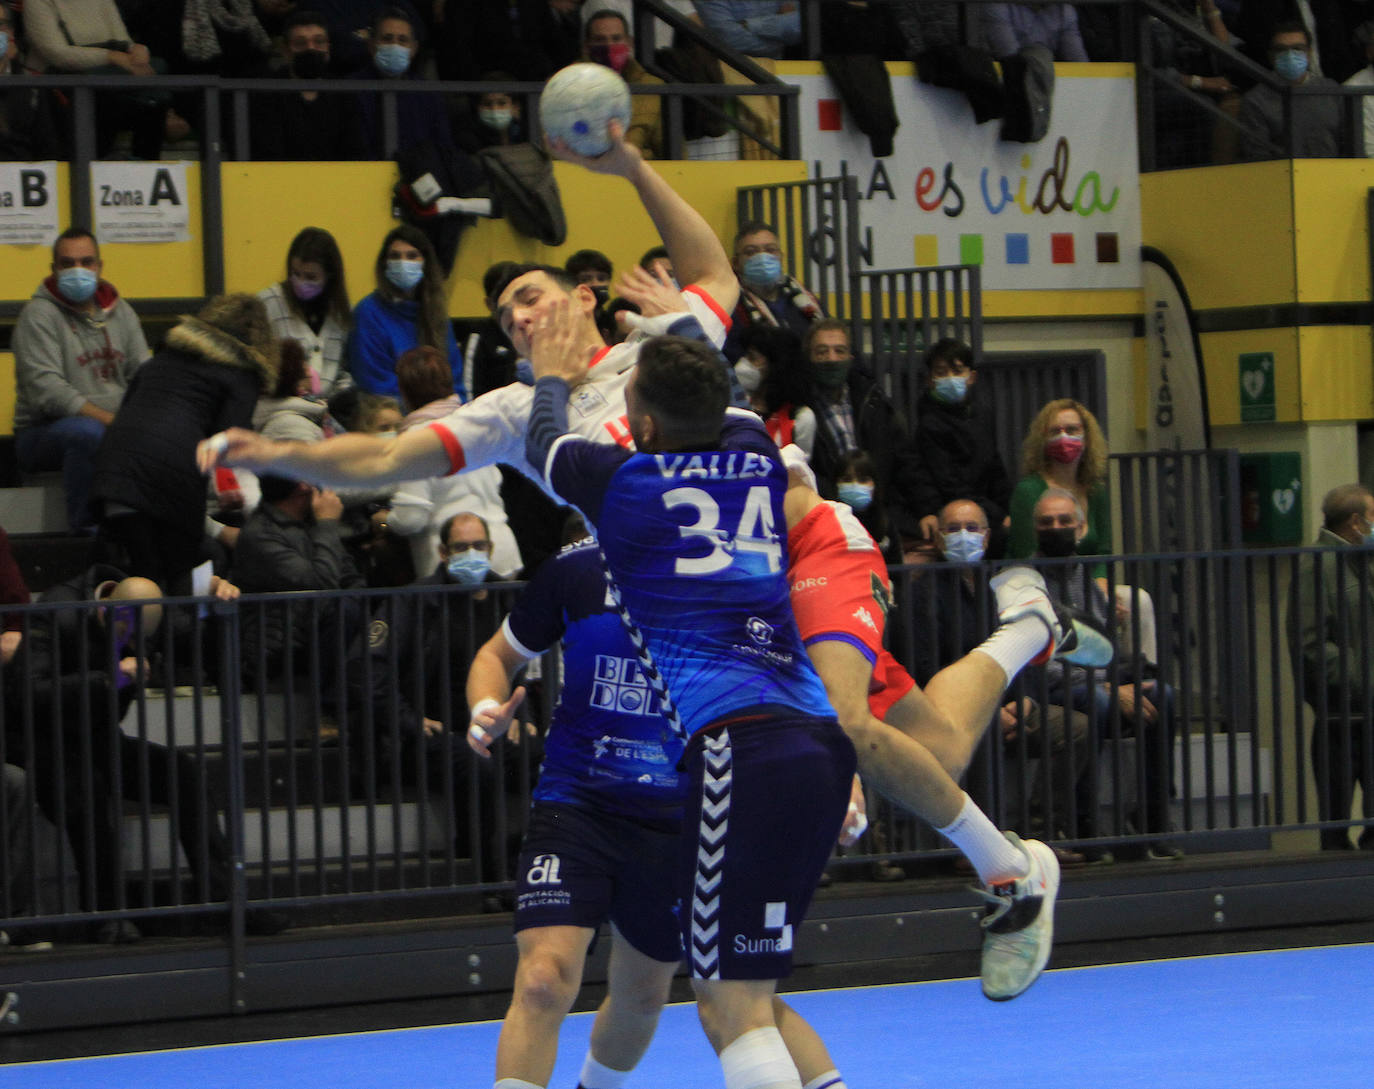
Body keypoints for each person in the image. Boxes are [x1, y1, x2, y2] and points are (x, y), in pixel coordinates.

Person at [467, 531, 855, 1089]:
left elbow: (802, 688)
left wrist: (846, 778)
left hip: (692, 820)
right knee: (543, 980)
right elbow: (497, 655)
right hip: (579, 806)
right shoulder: (577, 568)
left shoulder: (736, 579)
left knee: (651, 994)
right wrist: (485, 707)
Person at [2, 567, 250, 941]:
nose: (133, 643)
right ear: (106, 612)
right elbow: (27, 694)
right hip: (42, 741)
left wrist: (215, 600)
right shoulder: (57, 611)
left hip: (98, 735)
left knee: (181, 772)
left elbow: (188, 625)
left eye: (141, 639)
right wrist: (108, 678)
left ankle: (223, 900)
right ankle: (105, 914)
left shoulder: (143, 612)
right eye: (125, 635)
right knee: (88, 792)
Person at [911, 498, 1092, 855]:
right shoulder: (922, 591)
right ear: (939, 540)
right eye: (953, 529)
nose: (964, 537)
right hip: (953, 710)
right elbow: (925, 664)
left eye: (973, 528)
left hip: (1011, 701)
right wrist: (990, 710)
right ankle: (981, 846)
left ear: (988, 535)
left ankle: (1042, 829)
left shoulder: (1002, 587)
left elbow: (1026, 650)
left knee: (1077, 728)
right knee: (980, 729)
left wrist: (1023, 700)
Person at [1031, 488, 1180, 860]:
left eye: (1065, 521)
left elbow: (1101, 647)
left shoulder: (1086, 574)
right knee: (1098, 702)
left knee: (1163, 693)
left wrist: (1117, 678)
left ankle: (1151, 820)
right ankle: (1083, 825)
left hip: (1097, 683)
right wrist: (1109, 688)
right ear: (1034, 529)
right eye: (1047, 522)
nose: (1056, 528)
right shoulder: (1026, 582)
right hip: (1049, 689)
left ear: (1081, 529)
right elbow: (1042, 664)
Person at [91, 294, 277, 591]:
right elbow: (231, 439)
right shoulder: (242, 373)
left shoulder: (159, 361)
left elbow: (125, 416)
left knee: (140, 582)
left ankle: (131, 636)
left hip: (114, 476)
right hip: (172, 481)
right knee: (181, 580)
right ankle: (182, 636)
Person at [13, 228, 150, 534]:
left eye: (86, 262)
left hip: (113, 425)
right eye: (67, 263)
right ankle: (87, 530)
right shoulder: (38, 316)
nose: (78, 270)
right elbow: (48, 392)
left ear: (100, 266)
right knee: (87, 433)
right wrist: (110, 422)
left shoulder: (121, 312)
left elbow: (143, 376)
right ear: (54, 270)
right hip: (43, 433)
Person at [388, 346, 524, 579]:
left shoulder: (416, 439)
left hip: (452, 563)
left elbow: (411, 518)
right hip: (502, 552)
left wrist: (386, 521)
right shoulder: (474, 423)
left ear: (404, 392)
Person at [1288, 483, 1374, 850]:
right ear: (1356, 522)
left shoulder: (1359, 562)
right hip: (1342, 714)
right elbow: (1310, 644)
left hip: (1367, 711)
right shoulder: (1317, 565)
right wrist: (1362, 682)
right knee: (1336, 827)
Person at [804, 320, 923, 545]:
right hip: (824, 520)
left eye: (839, 350)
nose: (832, 358)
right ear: (808, 358)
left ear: (850, 357)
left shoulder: (874, 401)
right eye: (822, 352)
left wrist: (926, 512)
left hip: (881, 516)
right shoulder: (797, 409)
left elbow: (906, 463)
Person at [22, 0, 170, 159]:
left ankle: (147, 167)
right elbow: (56, 53)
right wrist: (110, 57)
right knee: (101, 104)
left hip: (106, 82)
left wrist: (137, 50)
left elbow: (123, 41)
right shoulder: (37, 2)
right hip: (58, 87)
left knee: (154, 102)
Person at [910, 338, 1012, 559]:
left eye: (957, 371)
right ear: (930, 380)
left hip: (988, 512)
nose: (950, 378)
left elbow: (995, 466)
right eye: (941, 372)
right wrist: (997, 515)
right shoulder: (928, 424)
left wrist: (1008, 509)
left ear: (971, 376)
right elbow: (949, 483)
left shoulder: (982, 415)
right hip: (956, 515)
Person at [347, 224, 465, 401]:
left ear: (425, 263)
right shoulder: (367, 314)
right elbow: (376, 386)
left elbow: (455, 381)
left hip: (441, 416)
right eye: (395, 256)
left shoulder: (437, 314)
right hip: (391, 417)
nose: (403, 263)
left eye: (412, 256)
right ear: (384, 264)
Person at [1006, 397, 1112, 582]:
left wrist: (1101, 583)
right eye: (1055, 431)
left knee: (1139, 600)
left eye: (1072, 430)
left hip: (1090, 587)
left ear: (1086, 437)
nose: (1064, 437)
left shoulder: (1096, 491)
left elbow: (1103, 552)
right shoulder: (1028, 490)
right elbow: (1026, 553)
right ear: (1044, 439)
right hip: (1038, 584)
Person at [249, 9, 366, 161]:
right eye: (300, 43)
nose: (311, 48)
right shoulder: (267, 92)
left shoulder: (343, 93)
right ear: (286, 51)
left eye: (318, 42)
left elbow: (355, 151)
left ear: (328, 48)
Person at [257, 226, 354, 398]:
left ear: (330, 276)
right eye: (296, 274)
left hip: (330, 407)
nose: (301, 282)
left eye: (311, 277)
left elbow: (343, 371)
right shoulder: (268, 303)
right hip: (285, 404)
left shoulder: (340, 313)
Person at [721, 221, 825, 363]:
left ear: (781, 257)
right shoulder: (730, 307)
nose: (762, 258)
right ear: (736, 263)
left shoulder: (803, 298)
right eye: (751, 252)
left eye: (770, 250)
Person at [1239, 21, 1343, 160]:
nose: (1290, 55)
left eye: (1298, 48)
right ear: (1271, 55)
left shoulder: (1330, 90)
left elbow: (1348, 140)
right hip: (1282, 177)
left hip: (1334, 175)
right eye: (1281, 49)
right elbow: (1258, 155)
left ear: (1309, 53)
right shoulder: (1255, 101)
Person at [583, 8, 664, 158]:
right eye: (600, 40)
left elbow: (670, 149)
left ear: (629, 42)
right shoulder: (563, 86)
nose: (609, 46)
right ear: (587, 45)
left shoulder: (651, 87)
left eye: (616, 38)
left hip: (636, 175)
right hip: (580, 175)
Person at [734, 325, 815, 456]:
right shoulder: (733, 406)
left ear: (776, 366)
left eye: (752, 358)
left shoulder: (800, 418)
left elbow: (799, 471)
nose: (743, 364)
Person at [0, 4, 66, 160]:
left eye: (0, 24)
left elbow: (48, 147)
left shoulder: (32, 86)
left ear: (10, 33)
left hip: (21, 175)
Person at [691, 0, 800, 59]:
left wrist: (750, 25)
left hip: (785, 73)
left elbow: (801, 23)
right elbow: (729, 40)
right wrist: (784, 38)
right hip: (732, 76)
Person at [981, 2, 1088, 60]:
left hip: (1047, 81)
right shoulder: (997, 5)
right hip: (1007, 86)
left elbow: (1079, 64)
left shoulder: (1064, 10)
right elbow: (1011, 60)